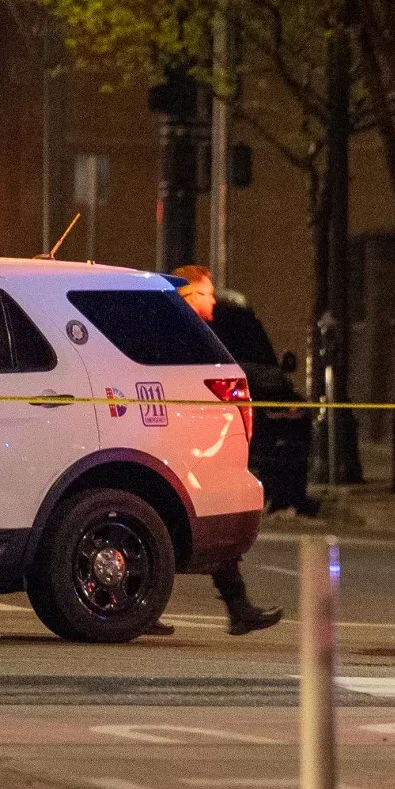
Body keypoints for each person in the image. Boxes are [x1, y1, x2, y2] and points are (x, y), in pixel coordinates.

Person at [171, 265, 283, 637]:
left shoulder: (190, 331)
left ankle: (238, 608)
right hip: (185, 443)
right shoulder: (182, 332)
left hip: (193, 442)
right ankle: (237, 608)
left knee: (192, 523)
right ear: (187, 297)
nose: (213, 299)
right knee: (206, 520)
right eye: (204, 293)